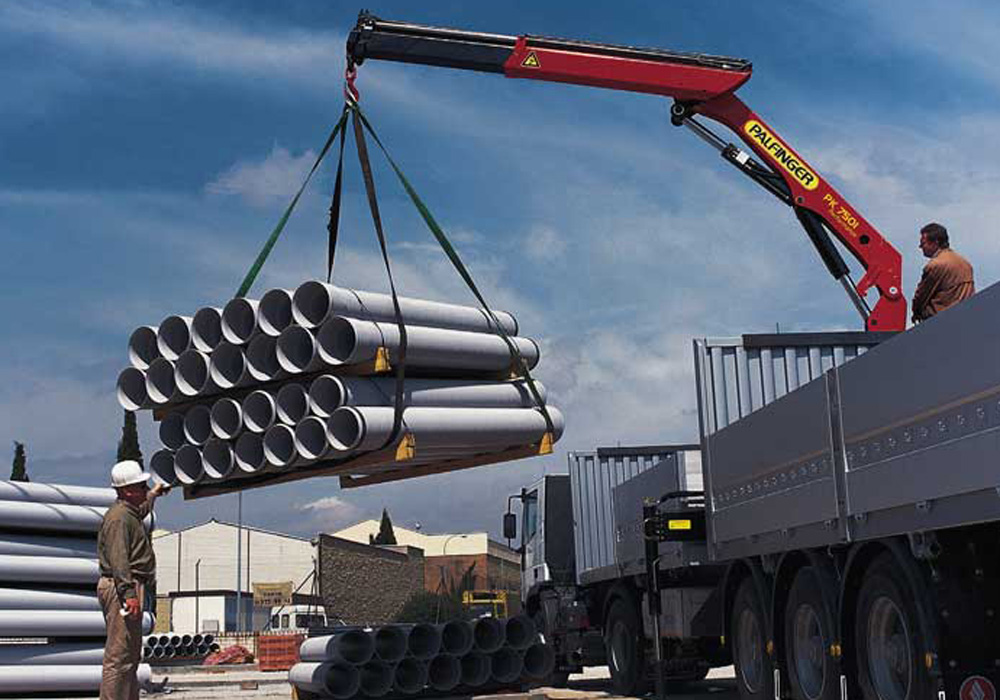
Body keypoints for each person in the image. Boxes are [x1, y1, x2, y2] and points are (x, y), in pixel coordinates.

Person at [97, 461, 169, 700]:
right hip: (122, 587)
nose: (144, 487)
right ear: (127, 490)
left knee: (130, 655)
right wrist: (129, 594)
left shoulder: (129, 512)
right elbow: (119, 560)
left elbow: (142, 508)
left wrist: (154, 493)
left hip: (127, 586)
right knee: (119, 657)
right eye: (141, 485)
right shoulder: (119, 519)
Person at [911, 222, 975, 323]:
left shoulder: (935, 265)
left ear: (935, 242)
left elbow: (921, 297)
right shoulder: (965, 263)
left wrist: (916, 313)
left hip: (940, 323)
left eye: (923, 243)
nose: (920, 247)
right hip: (965, 319)